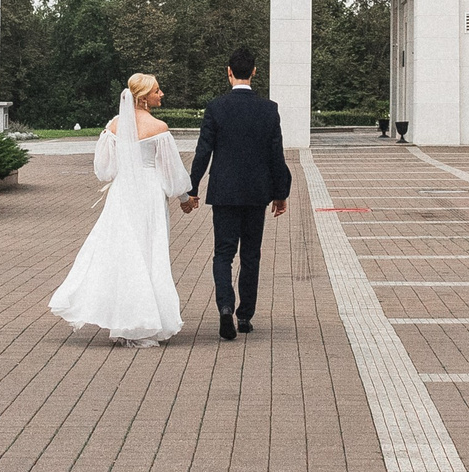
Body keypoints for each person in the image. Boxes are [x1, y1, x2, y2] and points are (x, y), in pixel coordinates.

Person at [48, 72, 191, 346]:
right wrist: (185, 197)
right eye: (157, 90)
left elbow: (105, 170)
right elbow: (171, 172)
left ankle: (125, 315)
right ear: (143, 97)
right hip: (149, 194)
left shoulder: (114, 127)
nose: (161, 94)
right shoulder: (159, 128)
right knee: (149, 252)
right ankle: (142, 319)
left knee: (123, 251)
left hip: (123, 193)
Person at [180, 46, 292, 341]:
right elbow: (276, 155)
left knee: (223, 253)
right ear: (254, 71)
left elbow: (203, 151)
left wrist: (192, 188)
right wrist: (281, 192)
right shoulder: (269, 109)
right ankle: (244, 316)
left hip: (224, 193)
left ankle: (225, 306)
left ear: (228, 72)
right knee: (251, 254)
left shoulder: (216, 108)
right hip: (257, 193)